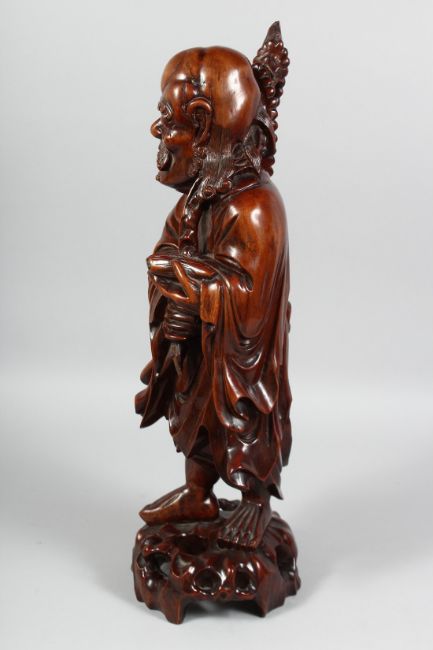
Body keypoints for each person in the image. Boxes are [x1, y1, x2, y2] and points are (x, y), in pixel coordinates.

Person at [135, 23, 292, 549]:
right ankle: (198, 490)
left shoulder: (255, 207)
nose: (157, 131)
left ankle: (253, 499)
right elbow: (166, 255)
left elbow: (251, 301)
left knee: (243, 407)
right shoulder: (196, 201)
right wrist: (171, 291)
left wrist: (198, 292)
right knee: (190, 398)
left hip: (240, 355)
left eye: (167, 118)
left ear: (202, 123)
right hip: (200, 341)